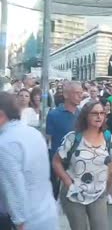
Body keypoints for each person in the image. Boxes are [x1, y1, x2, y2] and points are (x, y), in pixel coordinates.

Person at [52, 101, 112, 230]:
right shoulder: (73, 138)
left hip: (98, 194)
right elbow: (56, 162)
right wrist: (68, 182)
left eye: (101, 113)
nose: (99, 116)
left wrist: (107, 190)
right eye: (94, 113)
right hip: (75, 194)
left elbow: (111, 165)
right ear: (85, 116)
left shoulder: (108, 138)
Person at [0, 92, 59, 230]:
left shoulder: (5, 144)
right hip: (47, 211)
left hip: (26, 221)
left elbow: (13, 187)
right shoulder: (34, 133)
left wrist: (19, 222)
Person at [46, 81, 82, 198]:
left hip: (79, 163)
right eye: (76, 93)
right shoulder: (53, 114)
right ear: (66, 95)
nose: (80, 96)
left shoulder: (83, 114)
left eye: (81, 93)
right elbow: (49, 140)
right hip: (59, 163)